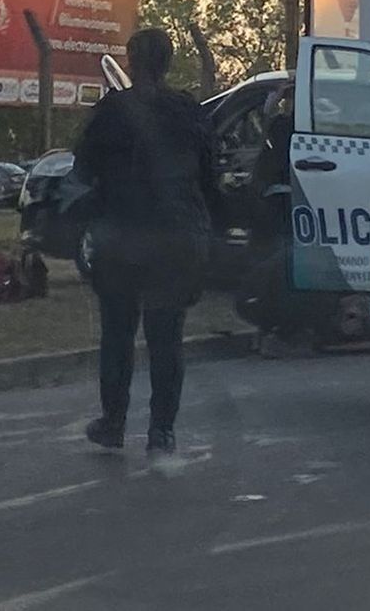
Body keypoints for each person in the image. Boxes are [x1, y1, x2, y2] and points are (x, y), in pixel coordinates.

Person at [73, 28, 218, 456]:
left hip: (123, 237)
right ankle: (162, 431)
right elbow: (209, 176)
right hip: (177, 237)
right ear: (170, 63)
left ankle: (113, 423)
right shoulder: (188, 112)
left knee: (118, 333)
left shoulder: (110, 112)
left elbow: (82, 172)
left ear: (130, 61)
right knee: (166, 336)